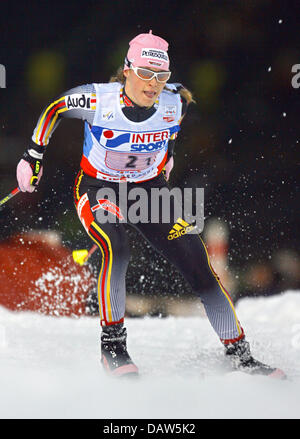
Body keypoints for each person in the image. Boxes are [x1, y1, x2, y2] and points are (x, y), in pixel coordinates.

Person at [16, 31, 285, 379]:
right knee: (116, 247)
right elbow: (54, 108)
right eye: (145, 73)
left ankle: (241, 356)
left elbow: (173, 124)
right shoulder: (98, 100)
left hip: (147, 190)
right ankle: (113, 348)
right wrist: (33, 156)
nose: (153, 84)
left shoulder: (177, 101)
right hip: (99, 188)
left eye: (161, 76)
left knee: (198, 263)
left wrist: (167, 156)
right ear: (126, 70)